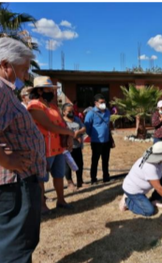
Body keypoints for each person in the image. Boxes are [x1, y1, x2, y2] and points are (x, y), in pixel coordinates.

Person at [0, 37, 46, 263]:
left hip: (19, 181)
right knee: (15, 248)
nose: (26, 76)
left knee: (18, 243)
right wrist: (6, 159)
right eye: (23, 70)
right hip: (13, 183)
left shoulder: (6, 91)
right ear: (5, 65)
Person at [27, 76, 75, 214]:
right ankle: (42, 205)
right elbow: (49, 126)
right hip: (42, 149)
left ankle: (61, 200)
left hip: (58, 148)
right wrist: (70, 133)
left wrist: (68, 136)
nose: (52, 92)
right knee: (41, 179)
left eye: (52, 89)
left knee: (59, 175)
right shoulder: (34, 106)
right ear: (40, 91)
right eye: (49, 89)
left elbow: (62, 124)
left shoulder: (53, 106)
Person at [119, 141, 162, 216]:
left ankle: (154, 199)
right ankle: (128, 201)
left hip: (139, 186)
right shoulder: (150, 167)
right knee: (149, 211)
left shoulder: (156, 161)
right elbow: (159, 188)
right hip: (134, 191)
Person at [84, 94, 114, 184]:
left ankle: (106, 177)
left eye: (104, 102)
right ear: (96, 103)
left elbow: (108, 125)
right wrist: (93, 135)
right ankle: (93, 179)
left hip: (106, 140)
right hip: (96, 141)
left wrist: (110, 138)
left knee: (106, 160)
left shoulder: (107, 112)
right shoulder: (91, 113)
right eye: (101, 102)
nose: (103, 104)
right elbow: (87, 126)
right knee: (95, 160)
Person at [62, 103, 87, 190]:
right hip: (67, 148)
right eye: (69, 111)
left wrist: (78, 132)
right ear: (64, 112)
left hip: (77, 146)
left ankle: (80, 181)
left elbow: (84, 128)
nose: (71, 113)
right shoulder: (62, 121)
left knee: (79, 164)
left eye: (72, 111)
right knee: (68, 166)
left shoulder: (77, 119)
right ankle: (70, 182)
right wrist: (75, 136)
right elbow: (63, 132)